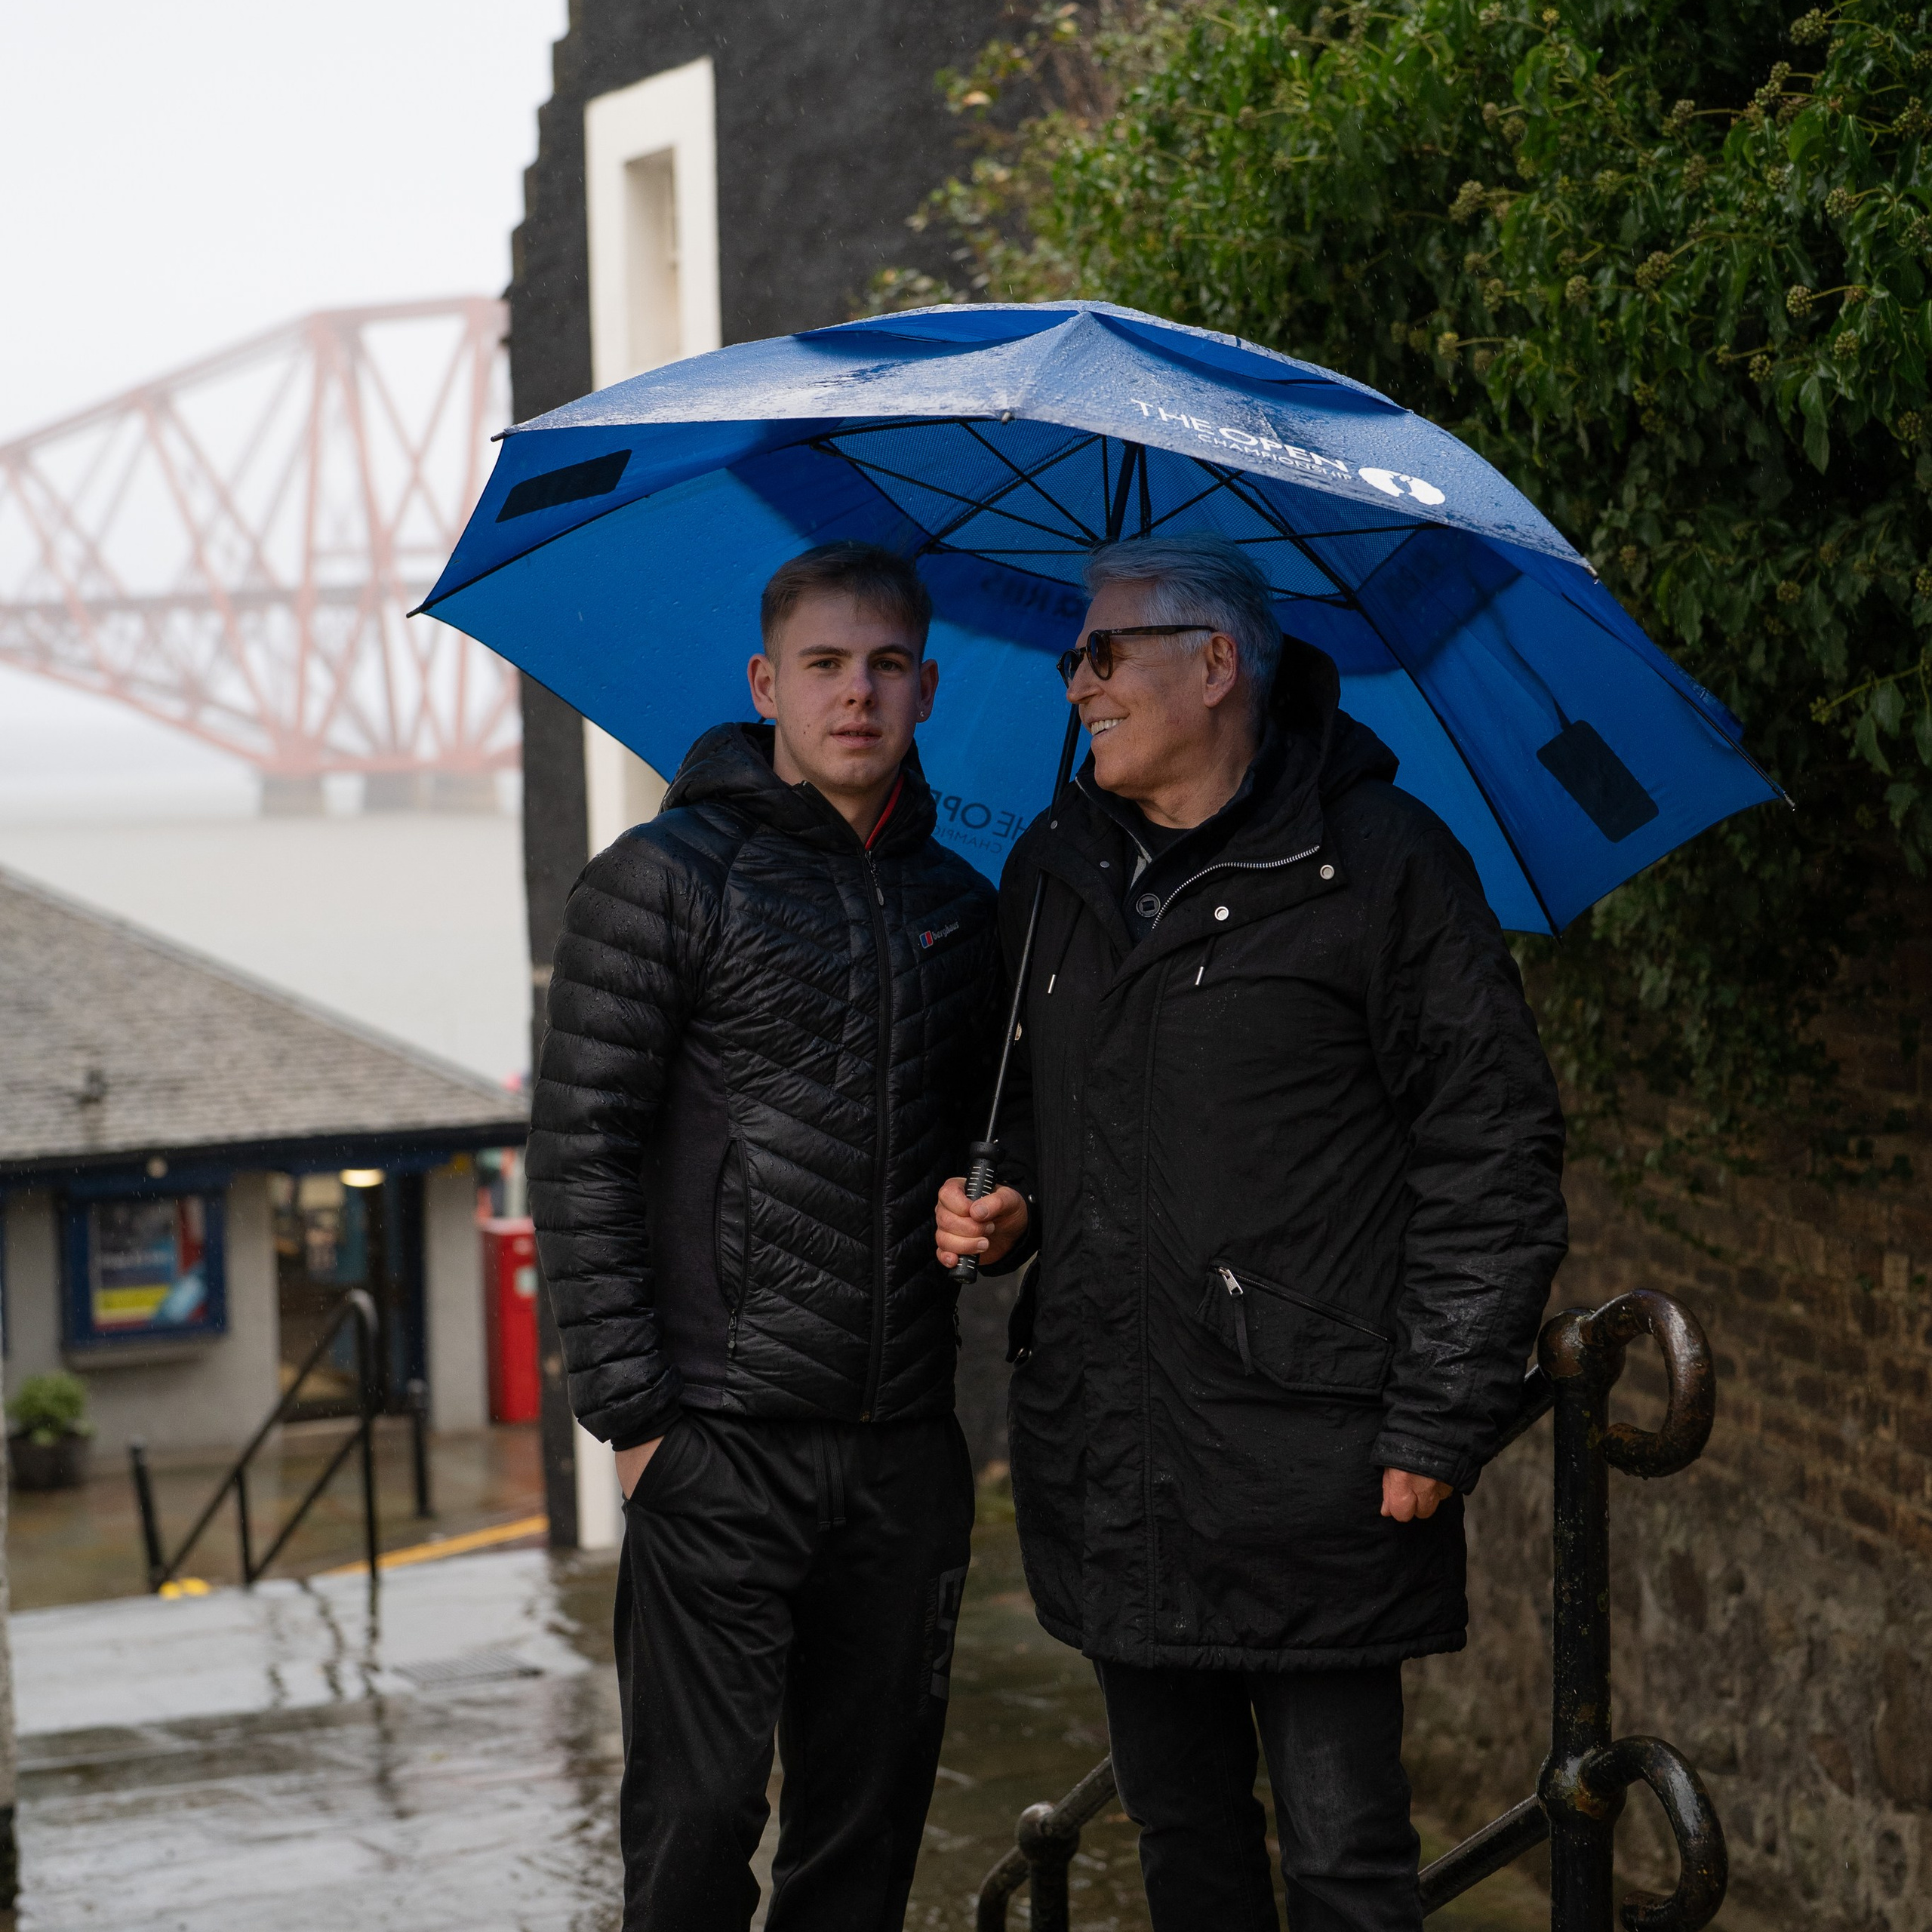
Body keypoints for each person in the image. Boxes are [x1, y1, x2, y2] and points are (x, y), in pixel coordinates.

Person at [934, 534, 1567, 1932]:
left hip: (1313, 1462)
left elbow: (1494, 1141)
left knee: (1346, 1864)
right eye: (1070, 656)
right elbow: (1034, 1102)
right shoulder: (1050, 868)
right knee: (1183, 1846)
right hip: (1113, 1451)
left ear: (1216, 663)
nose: (1076, 684)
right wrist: (1010, 1194)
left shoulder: (1385, 865)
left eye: (1103, 653)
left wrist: (1439, 1417)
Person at [530, 540, 998, 1932]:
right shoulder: (660, 881)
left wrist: (1006, 1201)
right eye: (824, 666)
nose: (856, 694)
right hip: (718, 1443)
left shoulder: (966, 914)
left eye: (885, 666)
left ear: (927, 687)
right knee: (696, 1825)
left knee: (863, 1843)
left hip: (905, 1448)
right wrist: (638, 1422)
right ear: (765, 684)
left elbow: (1004, 1134)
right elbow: (579, 1152)